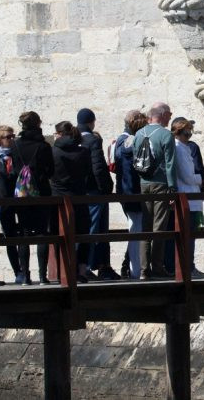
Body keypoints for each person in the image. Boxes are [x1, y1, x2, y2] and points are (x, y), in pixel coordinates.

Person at [133, 102, 176, 280]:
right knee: (159, 227)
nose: (170, 117)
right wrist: (172, 188)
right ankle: (157, 267)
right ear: (163, 115)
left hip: (143, 183)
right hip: (160, 183)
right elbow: (170, 164)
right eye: (169, 114)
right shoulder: (166, 135)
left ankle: (144, 270)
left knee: (145, 226)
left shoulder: (138, 134)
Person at [11, 111, 54, 285]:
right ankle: (43, 277)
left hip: (22, 195)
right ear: (38, 124)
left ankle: (26, 277)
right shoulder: (43, 146)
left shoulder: (15, 145)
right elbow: (50, 171)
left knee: (25, 234)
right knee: (43, 234)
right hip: (41, 193)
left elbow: (14, 169)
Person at [50, 122, 94, 284]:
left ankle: (63, 271)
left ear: (59, 134)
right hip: (79, 197)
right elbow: (88, 173)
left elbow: (49, 172)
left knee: (58, 235)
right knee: (82, 235)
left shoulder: (53, 151)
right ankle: (81, 271)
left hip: (58, 197)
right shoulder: (83, 151)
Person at [77, 108, 119, 280]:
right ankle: (85, 266)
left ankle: (95, 265)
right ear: (91, 122)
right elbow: (98, 167)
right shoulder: (92, 141)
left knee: (90, 228)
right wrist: (106, 188)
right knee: (94, 229)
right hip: (94, 191)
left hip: (79, 190)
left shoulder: (73, 139)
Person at [114, 110, 147, 279]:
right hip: (136, 190)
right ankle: (136, 270)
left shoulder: (120, 142)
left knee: (134, 228)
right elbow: (143, 168)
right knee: (137, 230)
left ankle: (132, 268)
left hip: (125, 189)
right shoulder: (139, 143)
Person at [172, 118, 204, 279]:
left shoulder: (183, 147)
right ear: (179, 132)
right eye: (187, 133)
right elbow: (187, 176)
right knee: (188, 237)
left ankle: (189, 267)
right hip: (188, 198)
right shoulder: (178, 148)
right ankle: (188, 268)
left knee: (191, 236)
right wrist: (199, 179)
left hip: (191, 198)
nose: (189, 136)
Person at [0, 125, 19, 283]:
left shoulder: (16, 154)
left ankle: (19, 272)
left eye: (12, 136)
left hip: (14, 199)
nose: (11, 140)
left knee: (13, 236)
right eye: (7, 137)